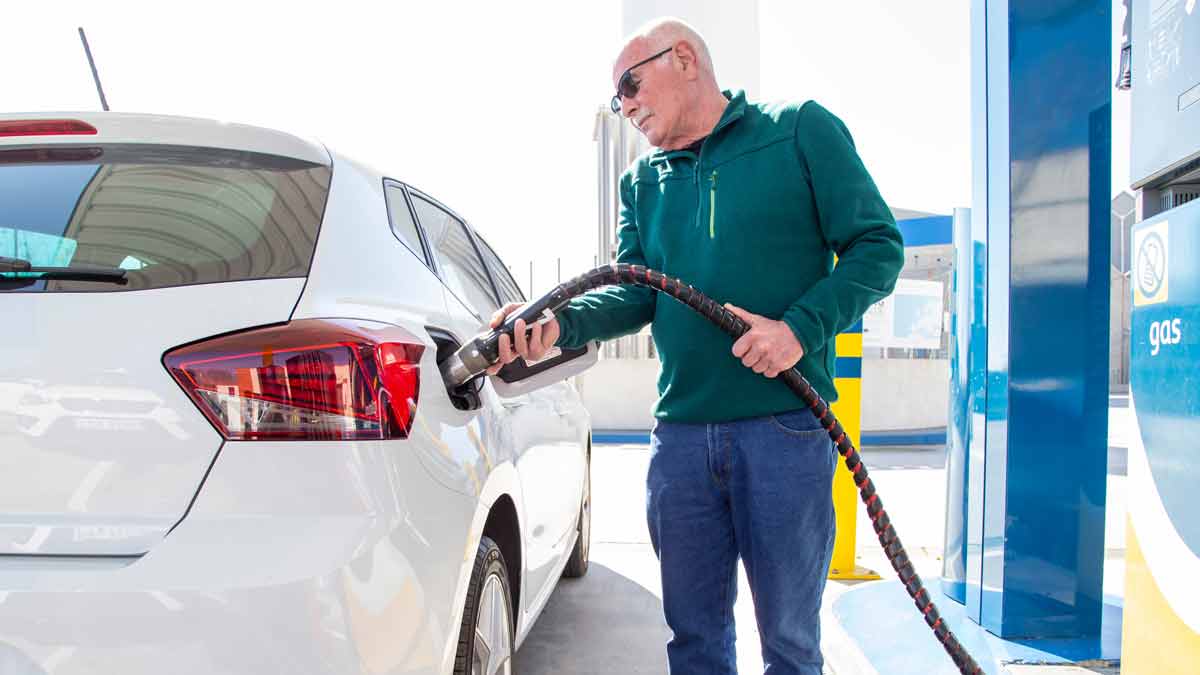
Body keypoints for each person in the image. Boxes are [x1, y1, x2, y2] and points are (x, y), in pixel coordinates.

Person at [487, 17, 903, 675]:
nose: (624, 105)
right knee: (695, 642)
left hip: (786, 430)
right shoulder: (642, 183)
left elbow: (877, 245)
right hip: (681, 441)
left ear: (682, 57)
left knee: (791, 644)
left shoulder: (797, 130)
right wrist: (555, 325)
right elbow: (633, 293)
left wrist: (799, 328)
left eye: (630, 84)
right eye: (617, 98)